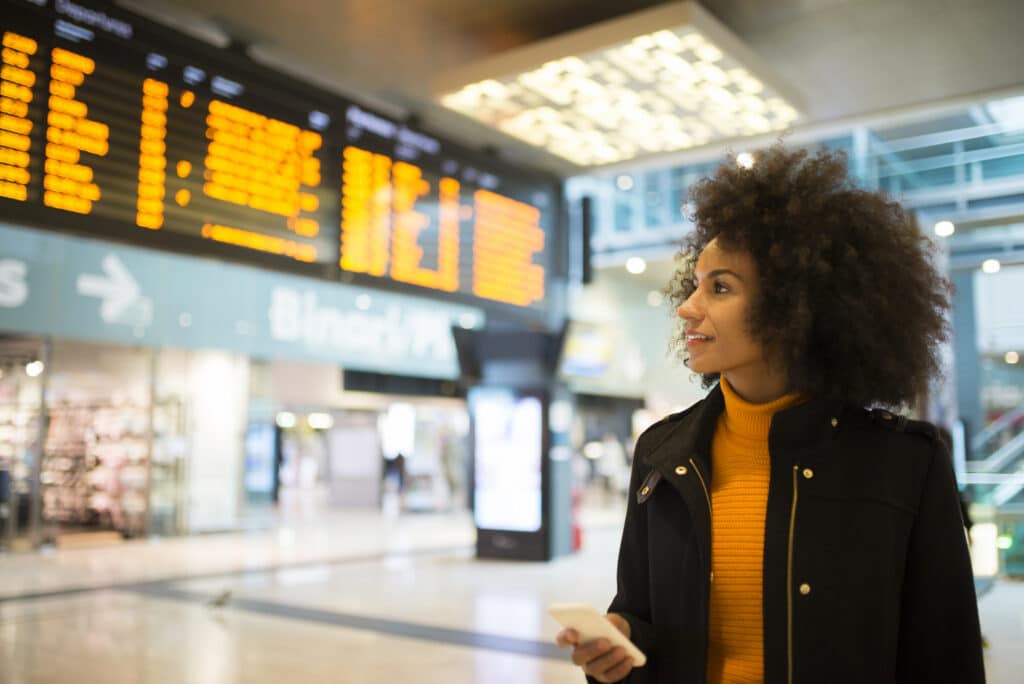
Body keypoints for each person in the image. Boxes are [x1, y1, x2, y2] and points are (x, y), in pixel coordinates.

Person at [555, 145, 985, 683]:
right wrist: (620, 647)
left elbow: (946, 658)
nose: (688, 307)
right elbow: (644, 621)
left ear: (796, 306)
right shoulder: (663, 455)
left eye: (721, 287)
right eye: (695, 283)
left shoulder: (904, 464)